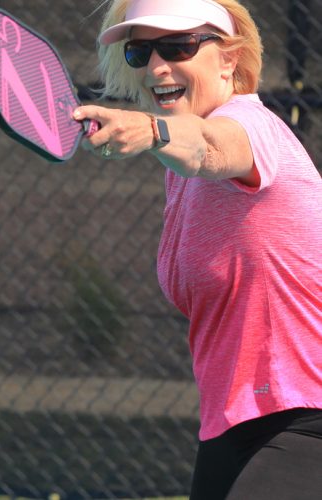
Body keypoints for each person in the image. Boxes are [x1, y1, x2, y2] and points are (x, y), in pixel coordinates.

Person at [73, 0, 322, 498]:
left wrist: (149, 129)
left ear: (229, 59)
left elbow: (212, 144)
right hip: (233, 423)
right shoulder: (178, 174)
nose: (159, 66)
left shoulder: (252, 126)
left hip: (306, 417)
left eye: (178, 45)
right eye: (141, 52)